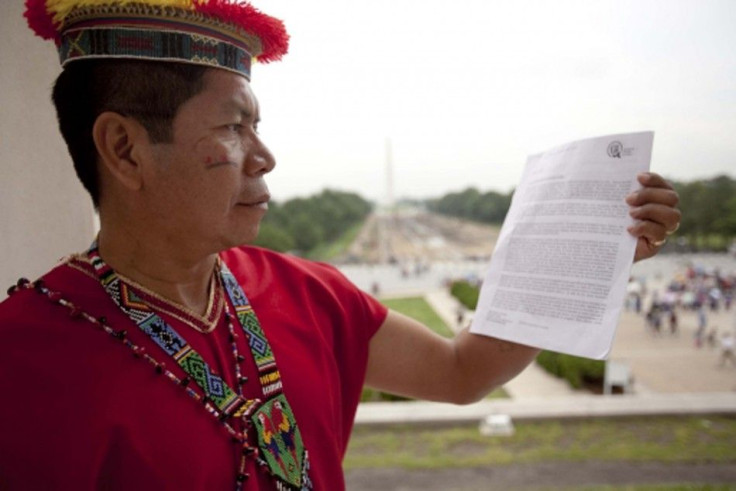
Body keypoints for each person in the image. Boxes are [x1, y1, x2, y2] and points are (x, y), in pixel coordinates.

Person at [0, 1, 682, 490]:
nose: (264, 157)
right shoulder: (21, 361)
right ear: (125, 149)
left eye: (257, 126)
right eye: (234, 128)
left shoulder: (305, 291)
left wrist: (591, 242)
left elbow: (460, 370)